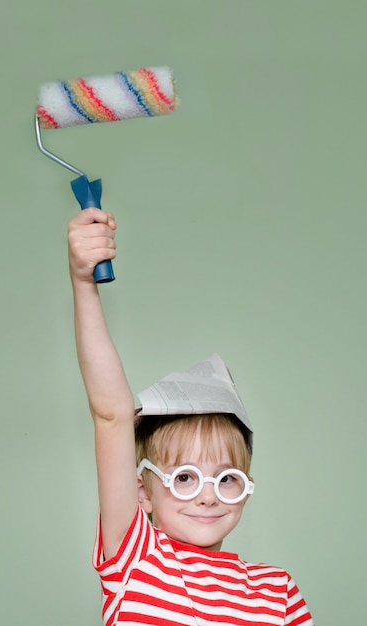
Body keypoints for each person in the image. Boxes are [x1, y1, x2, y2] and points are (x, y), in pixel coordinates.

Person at [67, 207, 315, 626]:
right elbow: (111, 414)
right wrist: (82, 281)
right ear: (142, 491)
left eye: (226, 478)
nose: (207, 496)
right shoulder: (136, 561)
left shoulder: (278, 592)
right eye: (183, 476)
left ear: (246, 487)